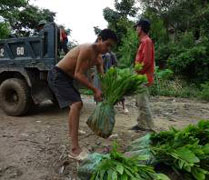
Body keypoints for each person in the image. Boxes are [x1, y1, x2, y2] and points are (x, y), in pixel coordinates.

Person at [47, 29, 117, 160]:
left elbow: (102, 78)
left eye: (111, 47)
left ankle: (73, 130)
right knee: (76, 104)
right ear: (100, 39)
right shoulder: (87, 49)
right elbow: (78, 74)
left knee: (76, 105)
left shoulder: (99, 58)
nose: (108, 49)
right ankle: (74, 149)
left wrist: (108, 93)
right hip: (57, 74)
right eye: (107, 44)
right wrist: (95, 90)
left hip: (68, 78)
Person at [130, 19, 155, 132]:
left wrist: (137, 71)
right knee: (139, 102)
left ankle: (149, 127)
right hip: (141, 76)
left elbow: (147, 61)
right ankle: (141, 124)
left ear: (141, 28)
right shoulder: (143, 42)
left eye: (137, 27)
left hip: (143, 77)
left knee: (143, 102)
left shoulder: (146, 41)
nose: (136, 29)